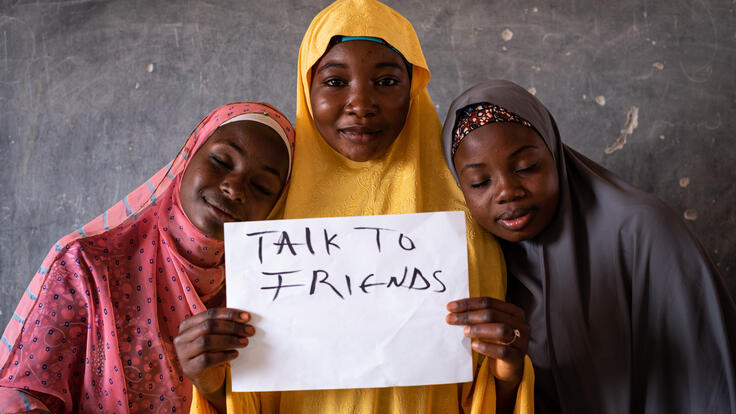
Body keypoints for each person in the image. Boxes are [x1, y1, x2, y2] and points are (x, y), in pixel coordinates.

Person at [186, 1, 533, 414]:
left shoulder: (469, 211)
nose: (361, 103)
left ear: (414, 89)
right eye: (334, 82)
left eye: (387, 81)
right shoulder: (267, 213)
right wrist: (209, 384)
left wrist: (508, 369)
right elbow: (254, 389)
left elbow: (484, 387)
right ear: (306, 87)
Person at [442, 79, 736, 413]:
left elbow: (706, 384)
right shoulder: (466, 265)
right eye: (480, 182)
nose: (507, 191)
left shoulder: (642, 233)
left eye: (527, 167)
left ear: (555, 156)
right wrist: (508, 374)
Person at [0, 102, 295, 413]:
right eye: (222, 160)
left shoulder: (268, 291)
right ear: (187, 158)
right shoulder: (85, 266)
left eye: (262, 186)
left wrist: (213, 386)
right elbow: (21, 395)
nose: (234, 189)